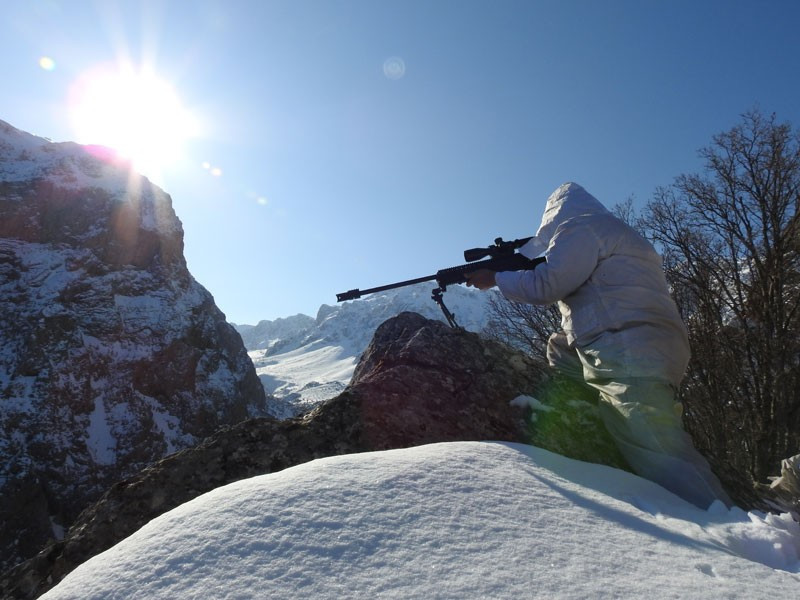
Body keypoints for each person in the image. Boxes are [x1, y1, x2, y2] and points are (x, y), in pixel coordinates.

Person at [466, 182, 732, 509]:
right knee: (561, 347)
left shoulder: (579, 228)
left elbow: (548, 285)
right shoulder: (609, 231)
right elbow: (588, 299)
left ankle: (728, 523)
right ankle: (587, 407)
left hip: (629, 345)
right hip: (640, 339)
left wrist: (496, 277)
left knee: (653, 441)